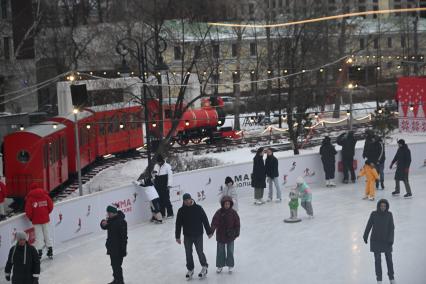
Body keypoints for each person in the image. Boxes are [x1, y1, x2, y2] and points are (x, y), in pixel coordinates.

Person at [175, 193, 213, 280]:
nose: (187, 202)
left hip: (198, 234)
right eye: (185, 201)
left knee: (200, 252)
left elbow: (205, 220)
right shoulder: (181, 211)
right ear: (183, 201)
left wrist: (209, 232)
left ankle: (204, 267)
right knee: (188, 253)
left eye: (188, 200)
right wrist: (177, 236)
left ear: (191, 199)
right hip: (187, 235)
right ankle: (190, 269)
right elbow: (178, 224)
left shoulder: (198, 208)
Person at [363, 199, 396, 284]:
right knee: (377, 261)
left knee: (389, 259)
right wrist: (365, 235)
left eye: (384, 206)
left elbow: (391, 228)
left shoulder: (389, 214)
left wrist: (391, 239)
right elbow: (369, 225)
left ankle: (391, 278)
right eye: (381, 206)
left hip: (386, 241)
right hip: (376, 241)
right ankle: (379, 280)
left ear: (387, 206)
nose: (383, 207)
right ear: (378, 206)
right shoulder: (374, 214)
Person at [211, 196, 240, 274]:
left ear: (230, 204)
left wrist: (236, 233)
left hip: (230, 235)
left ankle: (230, 265)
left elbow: (237, 224)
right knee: (220, 251)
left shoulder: (233, 213)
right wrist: (212, 231)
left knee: (230, 251)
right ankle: (220, 265)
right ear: (223, 204)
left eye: (228, 204)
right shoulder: (219, 212)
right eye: (225, 204)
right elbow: (214, 222)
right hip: (220, 235)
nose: (227, 205)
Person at [24, 183, 54, 259]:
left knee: (39, 236)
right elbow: (51, 206)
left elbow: (28, 210)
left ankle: (39, 252)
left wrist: (31, 218)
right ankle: (50, 250)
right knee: (47, 234)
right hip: (45, 219)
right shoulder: (45, 196)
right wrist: (46, 213)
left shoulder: (30, 199)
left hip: (36, 220)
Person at [100, 205, 128, 284]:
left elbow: (124, 238)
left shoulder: (121, 222)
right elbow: (104, 226)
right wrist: (102, 223)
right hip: (112, 248)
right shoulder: (111, 220)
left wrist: (123, 250)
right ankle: (116, 280)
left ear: (113, 213)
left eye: (108, 213)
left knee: (117, 266)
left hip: (118, 249)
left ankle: (120, 282)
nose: (107, 215)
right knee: (114, 265)